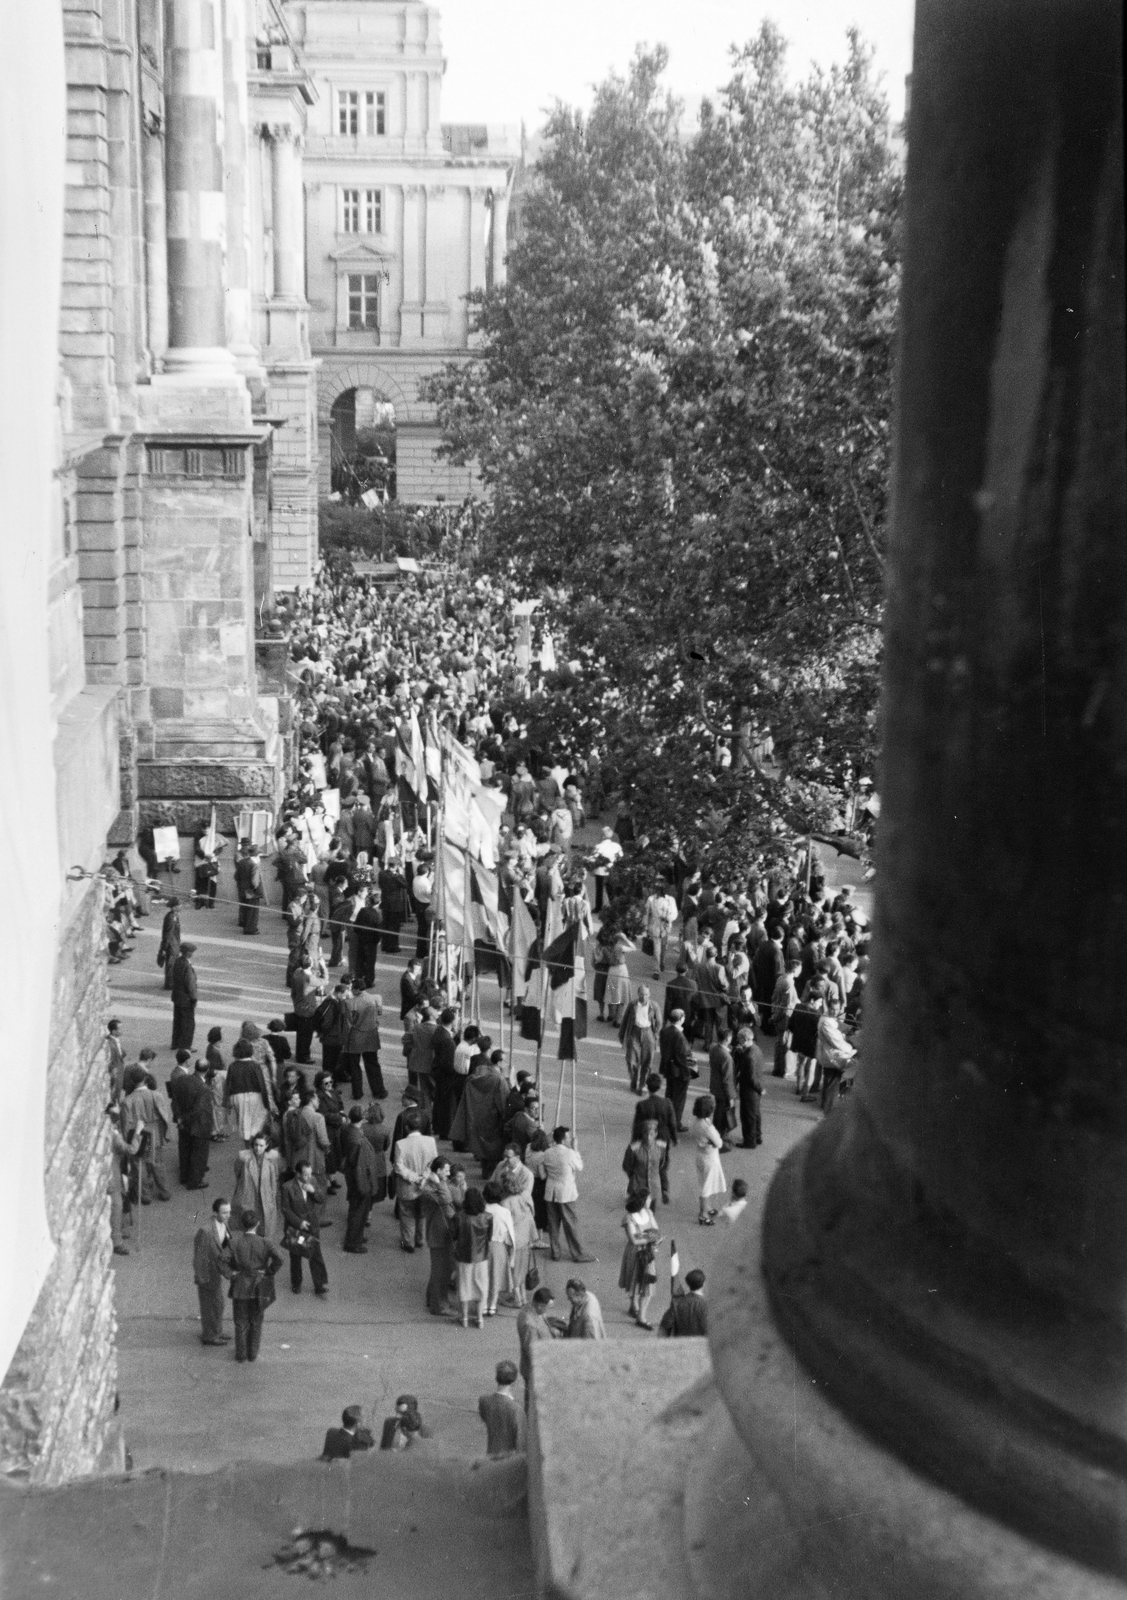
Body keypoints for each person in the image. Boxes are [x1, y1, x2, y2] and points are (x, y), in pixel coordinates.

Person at [228, 1207, 284, 1363]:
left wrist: (231, 1273)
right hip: (259, 1285)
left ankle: (241, 1355)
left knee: (240, 1321)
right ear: (258, 1223)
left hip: (240, 1284)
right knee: (256, 1321)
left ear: (242, 1224)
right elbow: (280, 1259)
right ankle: (252, 1353)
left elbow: (222, 1260)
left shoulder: (234, 1242)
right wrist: (269, 1272)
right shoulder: (265, 1242)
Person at [541, 1126, 596, 1263]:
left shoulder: (547, 1152)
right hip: (566, 1191)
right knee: (571, 1223)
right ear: (564, 1139)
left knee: (553, 1223)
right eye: (568, 1137)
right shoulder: (569, 1153)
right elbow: (579, 1167)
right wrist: (575, 1149)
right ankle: (578, 1253)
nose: (570, 1139)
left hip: (551, 1190)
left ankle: (555, 1252)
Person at [121, 1065, 172, 1202]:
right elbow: (164, 1117)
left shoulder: (128, 1101)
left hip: (138, 1134)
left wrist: (128, 1141)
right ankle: (164, 1191)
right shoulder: (156, 1095)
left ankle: (145, 1196)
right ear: (145, 1079)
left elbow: (125, 1125)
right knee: (156, 1163)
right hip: (154, 1135)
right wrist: (164, 1135)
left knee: (139, 1166)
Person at [280, 1159, 329, 1296]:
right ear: (298, 1174)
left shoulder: (312, 1181)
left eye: (310, 1174)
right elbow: (285, 1209)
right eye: (305, 1174)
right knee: (296, 1255)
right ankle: (296, 1283)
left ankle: (320, 1285)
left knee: (315, 1253)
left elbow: (321, 1198)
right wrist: (299, 1222)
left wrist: (313, 1191)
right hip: (297, 1229)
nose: (308, 1177)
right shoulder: (287, 1187)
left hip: (312, 1225)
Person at [393, 1112, 438, 1253]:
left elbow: (399, 1167)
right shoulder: (430, 1142)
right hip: (425, 1185)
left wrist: (414, 1178)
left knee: (407, 1214)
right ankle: (420, 1239)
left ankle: (408, 1243)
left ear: (407, 1128)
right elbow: (434, 1163)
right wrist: (423, 1177)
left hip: (407, 1186)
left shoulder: (400, 1144)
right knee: (422, 1213)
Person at [193, 1198, 233, 1344]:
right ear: (215, 1213)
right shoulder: (206, 1231)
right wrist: (201, 1277)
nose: (227, 1215)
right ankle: (210, 1336)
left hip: (217, 1272)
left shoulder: (224, 1225)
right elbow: (199, 1257)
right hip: (208, 1274)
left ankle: (217, 1331)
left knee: (218, 1304)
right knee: (211, 1306)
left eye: (229, 1212)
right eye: (224, 1212)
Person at [419, 1156, 456, 1313]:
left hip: (439, 1232)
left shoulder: (431, 1185)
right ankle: (439, 1305)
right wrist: (439, 1182)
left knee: (439, 1269)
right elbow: (447, 1199)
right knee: (441, 1272)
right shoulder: (432, 1187)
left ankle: (433, 1299)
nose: (448, 1174)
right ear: (438, 1170)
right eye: (446, 1170)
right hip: (439, 1233)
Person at [169, 1056, 213, 1188]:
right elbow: (198, 1109)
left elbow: (174, 1100)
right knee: (199, 1154)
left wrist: (178, 1117)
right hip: (198, 1124)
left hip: (183, 1124)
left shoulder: (182, 1080)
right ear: (207, 1070)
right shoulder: (204, 1088)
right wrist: (184, 1118)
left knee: (185, 1150)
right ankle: (195, 1181)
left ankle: (184, 1176)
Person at [341, 1105, 380, 1252]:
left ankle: (356, 1236)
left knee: (355, 1208)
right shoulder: (358, 1140)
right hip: (359, 1179)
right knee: (359, 1211)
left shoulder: (346, 1129)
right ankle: (353, 1242)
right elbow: (361, 1167)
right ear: (363, 1118)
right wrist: (365, 1186)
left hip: (351, 1174)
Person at [232, 1132, 284, 1243]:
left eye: (261, 1145)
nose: (258, 1148)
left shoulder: (273, 1157)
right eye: (256, 1144)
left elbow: (276, 1175)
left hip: (266, 1195)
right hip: (249, 1193)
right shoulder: (243, 1157)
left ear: (267, 1146)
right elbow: (237, 1172)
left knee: (266, 1226)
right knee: (249, 1223)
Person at [618, 1193, 661, 1328]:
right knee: (640, 1282)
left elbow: (656, 1231)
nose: (650, 1200)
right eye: (648, 1198)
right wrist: (650, 1237)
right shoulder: (629, 1217)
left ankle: (635, 1308)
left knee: (642, 1282)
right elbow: (634, 1239)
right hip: (637, 1253)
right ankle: (640, 1317)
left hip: (645, 1252)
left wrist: (648, 1236)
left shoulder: (648, 1212)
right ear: (642, 1201)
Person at [454, 1188, 493, 1330]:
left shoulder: (459, 1217)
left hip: (463, 1257)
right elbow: (489, 1236)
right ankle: (479, 1319)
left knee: (464, 1286)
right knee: (481, 1287)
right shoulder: (488, 1217)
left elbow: (454, 1235)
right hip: (481, 1256)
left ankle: (464, 1318)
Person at [107, 1103, 142, 1255]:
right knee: (117, 1206)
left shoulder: (111, 1132)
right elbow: (131, 1149)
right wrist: (138, 1133)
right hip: (112, 1174)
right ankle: (116, 1241)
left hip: (114, 1171)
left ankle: (117, 1232)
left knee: (117, 1204)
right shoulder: (113, 1135)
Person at [342, 979, 385, 1100]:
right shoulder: (375, 998)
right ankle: (379, 1091)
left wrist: (345, 1040)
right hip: (371, 1035)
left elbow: (348, 1023)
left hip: (356, 1036)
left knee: (355, 1066)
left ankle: (357, 1092)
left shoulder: (349, 1003)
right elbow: (380, 1012)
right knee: (373, 1064)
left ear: (355, 989)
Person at [225, 1040, 274, 1144]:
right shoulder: (255, 1065)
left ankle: (247, 1143)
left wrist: (227, 1102)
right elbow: (261, 1084)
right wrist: (267, 1103)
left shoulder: (233, 1066)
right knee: (255, 1121)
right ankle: (255, 1142)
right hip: (254, 1096)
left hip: (238, 1097)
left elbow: (229, 1084)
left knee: (243, 1121)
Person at [690, 1095, 727, 1225]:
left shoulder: (696, 1122)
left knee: (703, 1182)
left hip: (700, 1155)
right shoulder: (708, 1127)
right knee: (706, 1187)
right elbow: (720, 1143)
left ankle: (708, 1207)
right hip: (710, 1158)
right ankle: (703, 1214)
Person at [619, 984, 662, 1094]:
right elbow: (625, 1020)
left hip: (648, 1033)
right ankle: (633, 1081)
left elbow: (659, 1022)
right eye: (641, 994)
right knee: (631, 1060)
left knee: (647, 1062)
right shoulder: (633, 1005)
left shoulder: (654, 1006)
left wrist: (655, 1034)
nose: (644, 997)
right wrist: (622, 1035)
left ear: (649, 994)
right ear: (638, 994)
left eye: (646, 994)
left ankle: (642, 1085)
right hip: (635, 1032)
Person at [478, 1361, 527, 1458]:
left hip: (491, 1456)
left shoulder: (484, 1401)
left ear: (496, 1378)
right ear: (514, 1381)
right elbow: (521, 1445)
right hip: (508, 1462)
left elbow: (484, 1417)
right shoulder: (517, 1410)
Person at [658, 1009, 696, 1131]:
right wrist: (687, 1074)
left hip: (668, 1068)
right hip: (679, 1071)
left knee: (669, 1094)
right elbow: (681, 1057)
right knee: (679, 1099)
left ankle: (665, 1119)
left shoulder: (664, 1031)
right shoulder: (679, 1035)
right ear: (681, 1019)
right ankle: (675, 1123)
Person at [482, 1180, 515, 1317]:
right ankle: (492, 1305)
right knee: (496, 1276)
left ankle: (483, 1305)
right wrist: (511, 1255)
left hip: (483, 1246)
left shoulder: (482, 1209)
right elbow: (510, 1235)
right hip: (498, 1247)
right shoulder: (504, 1212)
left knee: (483, 1277)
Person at [623, 1118, 670, 1208]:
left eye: (651, 1134)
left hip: (653, 1188)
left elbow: (662, 1165)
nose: (648, 1137)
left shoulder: (661, 1147)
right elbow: (627, 1166)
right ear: (642, 1134)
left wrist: (663, 1188)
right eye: (646, 1134)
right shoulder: (634, 1148)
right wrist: (634, 1177)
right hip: (637, 1187)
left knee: (650, 1214)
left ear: (656, 1134)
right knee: (637, 1215)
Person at [733, 1023, 766, 1148]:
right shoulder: (756, 1049)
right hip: (756, 1089)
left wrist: (760, 1089)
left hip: (749, 1090)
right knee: (756, 1114)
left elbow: (750, 1077)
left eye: (739, 1039)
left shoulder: (748, 1056)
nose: (738, 1041)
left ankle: (749, 1141)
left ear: (745, 1039)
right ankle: (757, 1136)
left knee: (748, 1117)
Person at [707, 1027, 738, 1150]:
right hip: (723, 1090)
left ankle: (716, 1135)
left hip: (715, 1086)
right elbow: (727, 1079)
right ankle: (719, 1137)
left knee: (718, 1112)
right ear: (727, 1039)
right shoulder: (727, 1057)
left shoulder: (714, 1048)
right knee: (723, 1114)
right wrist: (731, 1096)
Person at [631, 1073, 679, 1150]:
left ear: (647, 1086)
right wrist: (674, 1138)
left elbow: (637, 1126)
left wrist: (634, 1142)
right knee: (662, 1159)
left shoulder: (641, 1105)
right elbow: (672, 1123)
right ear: (660, 1087)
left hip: (647, 1138)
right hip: (663, 1138)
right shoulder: (667, 1103)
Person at [771, 958, 801, 1078]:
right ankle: (784, 1070)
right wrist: (777, 1017)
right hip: (785, 1017)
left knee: (779, 1043)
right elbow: (787, 1005)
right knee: (785, 1044)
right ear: (795, 969)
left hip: (778, 1013)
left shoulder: (781, 978)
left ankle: (777, 1068)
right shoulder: (789, 982)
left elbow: (775, 997)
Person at [659, 1268, 709, 1336]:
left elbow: (664, 1327)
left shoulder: (676, 1303)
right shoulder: (710, 1304)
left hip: (681, 1344)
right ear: (703, 1283)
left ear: (688, 1284)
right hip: (703, 1345)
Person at [643, 882, 678, 977]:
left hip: (666, 928)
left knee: (664, 947)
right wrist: (645, 926)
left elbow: (674, 913)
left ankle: (661, 962)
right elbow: (646, 913)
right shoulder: (651, 899)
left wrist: (667, 918)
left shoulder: (670, 900)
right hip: (654, 927)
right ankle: (656, 970)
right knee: (656, 950)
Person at [169, 942, 199, 1050]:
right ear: (188, 953)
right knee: (188, 1023)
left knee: (177, 1021)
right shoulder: (187, 965)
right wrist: (194, 998)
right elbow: (190, 984)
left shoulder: (177, 961)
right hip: (186, 999)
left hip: (177, 996)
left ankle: (175, 1043)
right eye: (192, 952)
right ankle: (186, 1045)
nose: (193, 954)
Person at [603, 933, 636, 1028]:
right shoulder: (621, 947)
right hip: (621, 970)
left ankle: (611, 1015)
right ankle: (618, 1020)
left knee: (612, 992)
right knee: (622, 994)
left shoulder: (606, 948)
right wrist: (626, 939)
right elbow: (633, 948)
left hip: (611, 970)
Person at [589, 826, 622, 913]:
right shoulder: (616, 846)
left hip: (600, 871)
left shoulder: (598, 846)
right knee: (611, 890)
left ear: (603, 836)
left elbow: (593, 858)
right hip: (611, 870)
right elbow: (620, 857)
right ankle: (613, 907)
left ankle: (598, 907)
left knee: (599, 890)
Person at [235, 842, 265, 935]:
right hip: (251, 891)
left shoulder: (242, 862)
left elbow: (236, 876)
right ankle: (251, 929)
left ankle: (244, 925)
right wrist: (257, 889)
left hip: (242, 888)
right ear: (257, 855)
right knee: (253, 910)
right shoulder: (254, 865)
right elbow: (255, 882)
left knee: (245, 908)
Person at [157, 898, 181, 991]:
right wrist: (164, 947)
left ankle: (171, 982)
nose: (180, 907)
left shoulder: (175, 915)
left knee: (173, 964)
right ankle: (169, 984)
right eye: (179, 905)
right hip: (171, 944)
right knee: (170, 964)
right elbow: (167, 933)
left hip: (175, 943)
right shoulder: (170, 918)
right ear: (174, 907)